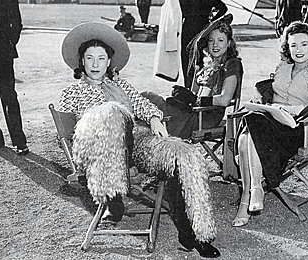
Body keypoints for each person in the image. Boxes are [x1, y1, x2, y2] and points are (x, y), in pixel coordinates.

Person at [59, 22, 220, 258]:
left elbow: (143, 104)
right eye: (89, 58)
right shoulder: (71, 93)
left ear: (109, 62)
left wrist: (154, 117)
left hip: (137, 144)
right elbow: (67, 135)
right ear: (81, 61)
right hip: (104, 156)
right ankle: (114, 201)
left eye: (101, 58)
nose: (95, 64)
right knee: (111, 113)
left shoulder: (120, 85)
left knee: (184, 155)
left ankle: (193, 233)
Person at [232, 22, 308, 227]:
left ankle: (250, 195)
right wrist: (264, 104)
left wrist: (289, 110)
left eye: (304, 45)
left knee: (248, 133)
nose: (298, 50)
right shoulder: (282, 69)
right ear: (287, 47)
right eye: (293, 45)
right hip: (272, 122)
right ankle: (253, 191)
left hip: (300, 128)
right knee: (247, 134)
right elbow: (270, 95)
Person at [142, 14, 243, 140]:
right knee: (146, 99)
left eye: (220, 40)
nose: (215, 45)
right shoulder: (208, 63)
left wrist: (196, 100)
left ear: (228, 43)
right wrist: (184, 95)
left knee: (148, 99)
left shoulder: (232, 64)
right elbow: (194, 93)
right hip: (194, 112)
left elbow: (225, 100)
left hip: (202, 119)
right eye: (211, 40)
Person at [0, 0, 29, 155]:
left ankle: (19, 141)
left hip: (2, 53)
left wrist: (9, 43)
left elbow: (16, 22)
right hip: (3, 51)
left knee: (9, 96)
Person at [178, 0, 227, 89]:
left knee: (187, 60)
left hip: (188, 28)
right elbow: (223, 8)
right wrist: (212, 21)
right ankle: (201, 88)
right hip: (204, 29)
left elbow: (179, 14)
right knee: (203, 60)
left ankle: (188, 87)